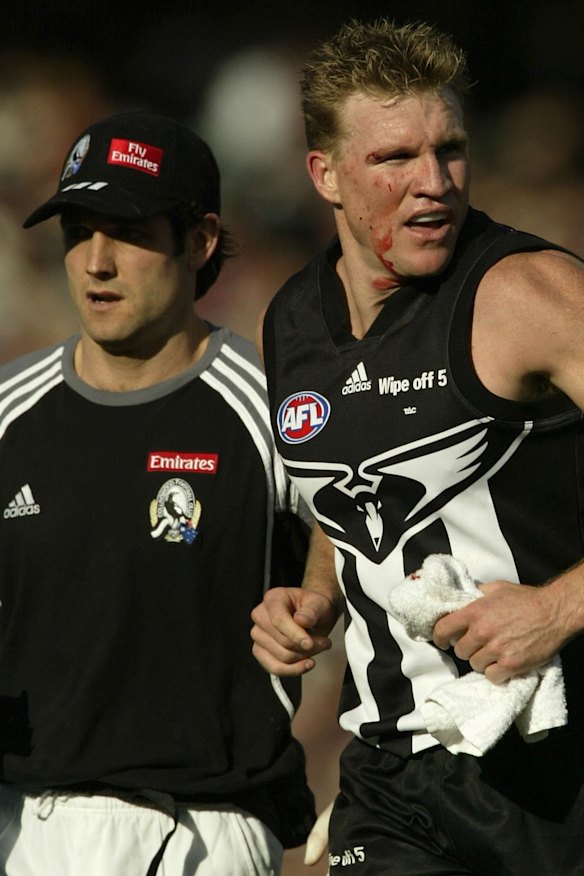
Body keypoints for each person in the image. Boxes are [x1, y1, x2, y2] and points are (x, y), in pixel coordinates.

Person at [250, 17, 584, 876]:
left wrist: (556, 609)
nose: (433, 183)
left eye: (451, 150)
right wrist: (319, 597)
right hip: (392, 777)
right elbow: (354, 491)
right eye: (395, 159)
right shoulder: (292, 322)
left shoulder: (527, 293)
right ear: (324, 175)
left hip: (553, 772)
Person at [0, 110, 316, 876]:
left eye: (130, 231)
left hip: (202, 831)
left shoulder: (273, 411)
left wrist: (317, 595)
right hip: (21, 828)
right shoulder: (10, 411)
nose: (95, 262)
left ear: (201, 240)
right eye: (78, 230)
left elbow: (370, 530)